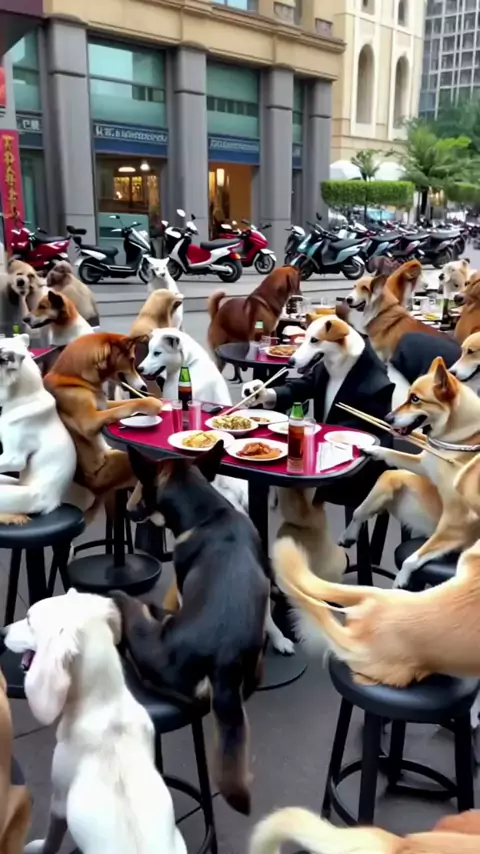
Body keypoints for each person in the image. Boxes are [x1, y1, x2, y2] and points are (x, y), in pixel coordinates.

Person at [241, 329, 395, 574]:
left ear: (340, 342)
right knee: (283, 476)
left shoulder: (375, 381)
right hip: (321, 454)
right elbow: (303, 386)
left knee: (292, 482)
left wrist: (316, 435)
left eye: (314, 342)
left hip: (359, 466)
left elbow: (366, 434)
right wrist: (268, 394)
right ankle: (295, 562)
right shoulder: (330, 363)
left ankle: (316, 565)